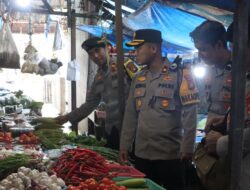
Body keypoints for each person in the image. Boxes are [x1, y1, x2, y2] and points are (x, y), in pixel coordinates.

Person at [119, 29, 199, 190]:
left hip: (170, 155)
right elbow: (131, 115)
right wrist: (125, 145)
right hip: (142, 153)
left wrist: (188, 148)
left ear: (153, 49)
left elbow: (191, 113)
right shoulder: (138, 77)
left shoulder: (181, 74)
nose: (135, 53)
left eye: (139, 48)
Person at [55, 37, 130, 150]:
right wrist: (67, 117)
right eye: (91, 53)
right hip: (112, 128)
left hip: (131, 128)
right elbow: (90, 104)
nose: (95, 56)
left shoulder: (124, 65)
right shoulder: (98, 77)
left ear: (107, 49)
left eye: (97, 50)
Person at [206, 19, 250, 190]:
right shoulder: (245, 77)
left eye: (236, 48)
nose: (232, 55)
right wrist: (225, 119)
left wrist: (222, 142)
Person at [190, 20, 231, 128]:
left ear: (219, 45)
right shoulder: (207, 71)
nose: (200, 55)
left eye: (203, 49)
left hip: (231, 139)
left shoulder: (241, 71)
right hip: (211, 137)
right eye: (198, 50)